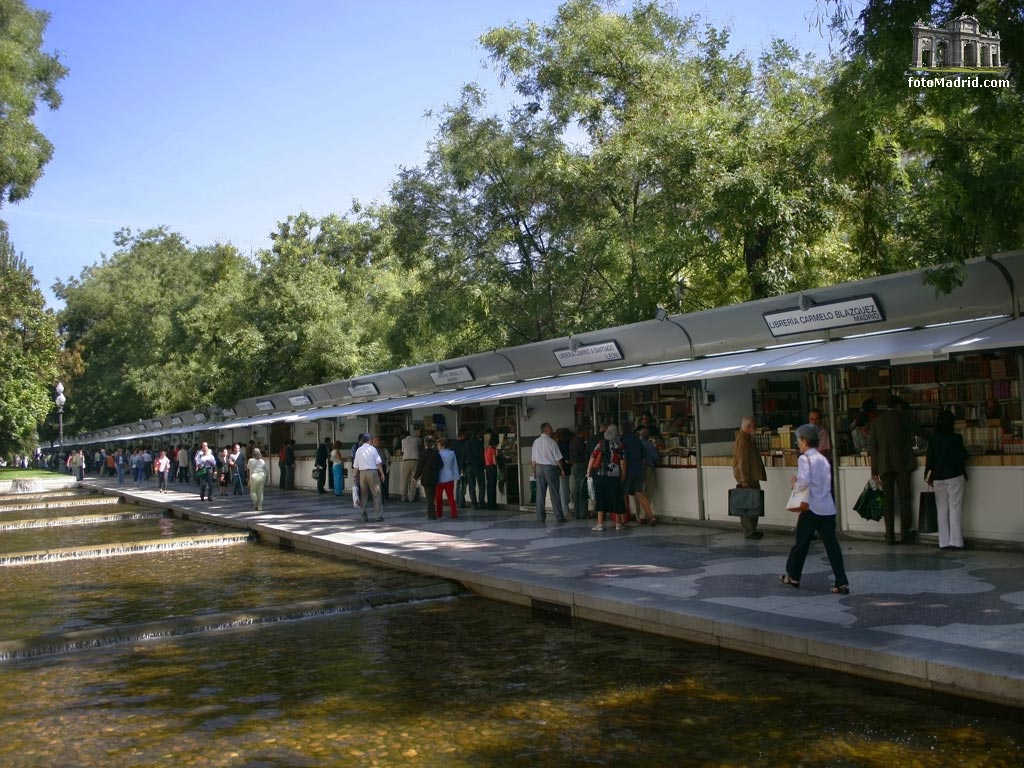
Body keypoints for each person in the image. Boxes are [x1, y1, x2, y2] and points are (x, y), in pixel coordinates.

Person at [779, 423, 850, 594]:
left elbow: (803, 482)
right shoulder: (823, 459)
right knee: (832, 546)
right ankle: (841, 581)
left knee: (800, 544)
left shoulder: (805, 459)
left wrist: (794, 483)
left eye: (799, 440)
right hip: (827, 507)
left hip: (811, 507)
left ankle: (793, 575)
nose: (798, 444)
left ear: (805, 440)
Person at [870, 395, 928, 545]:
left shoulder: (877, 422)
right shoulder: (903, 418)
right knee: (904, 499)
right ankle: (905, 533)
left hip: (884, 466)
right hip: (903, 464)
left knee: (887, 501)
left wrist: (874, 470)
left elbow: (873, 448)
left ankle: (889, 536)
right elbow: (918, 431)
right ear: (898, 406)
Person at [926, 410, 969, 550]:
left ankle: (943, 542)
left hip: (938, 477)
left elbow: (930, 459)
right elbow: (963, 455)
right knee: (955, 508)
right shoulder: (956, 438)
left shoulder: (933, 438)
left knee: (942, 509)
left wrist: (928, 476)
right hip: (955, 476)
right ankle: (956, 541)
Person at [732, 415, 766, 539]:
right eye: (754, 426)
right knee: (748, 505)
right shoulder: (743, 440)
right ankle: (750, 531)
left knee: (753, 503)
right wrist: (744, 480)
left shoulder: (747, 439)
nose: (755, 429)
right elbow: (743, 462)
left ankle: (752, 529)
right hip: (748, 479)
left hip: (750, 477)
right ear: (749, 426)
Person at [589, 426, 626, 531]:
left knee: (601, 499)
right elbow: (623, 462)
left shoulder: (601, 444)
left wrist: (588, 472)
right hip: (614, 476)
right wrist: (623, 475)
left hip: (601, 475)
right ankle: (618, 524)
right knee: (616, 498)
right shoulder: (620, 446)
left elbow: (593, 457)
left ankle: (600, 524)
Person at [531, 422, 567, 523]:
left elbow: (533, 460)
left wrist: (533, 471)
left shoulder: (536, 442)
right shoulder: (552, 442)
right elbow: (558, 459)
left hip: (538, 468)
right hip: (550, 468)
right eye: (551, 429)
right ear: (546, 430)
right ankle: (559, 516)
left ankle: (540, 517)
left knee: (540, 493)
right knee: (554, 492)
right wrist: (562, 469)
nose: (552, 430)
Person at [621, 425, 655, 524]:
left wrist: (623, 473)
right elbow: (644, 457)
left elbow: (623, 458)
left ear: (622, 431)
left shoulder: (622, 440)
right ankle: (651, 517)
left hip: (627, 470)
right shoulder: (637, 440)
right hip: (638, 470)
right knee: (640, 493)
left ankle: (623, 520)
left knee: (623, 495)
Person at [353, 433, 385, 522]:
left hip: (362, 473)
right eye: (371, 440)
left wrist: (355, 476)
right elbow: (378, 462)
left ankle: (363, 515)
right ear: (369, 440)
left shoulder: (358, 450)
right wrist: (382, 473)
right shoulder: (373, 449)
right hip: (373, 472)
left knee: (363, 495)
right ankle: (378, 515)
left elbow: (356, 465)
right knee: (377, 494)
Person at [414, 435, 442, 519]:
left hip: (426, 478)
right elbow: (441, 465)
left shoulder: (423, 454)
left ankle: (432, 515)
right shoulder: (436, 453)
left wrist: (415, 477)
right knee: (433, 496)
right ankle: (431, 513)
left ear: (425, 443)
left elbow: (419, 467)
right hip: (435, 477)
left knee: (429, 498)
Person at [435, 436, 460, 519]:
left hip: (440, 479)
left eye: (438, 445)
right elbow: (455, 466)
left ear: (442, 446)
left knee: (438, 497)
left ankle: (439, 513)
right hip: (449, 478)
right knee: (451, 497)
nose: (437, 447)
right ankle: (454, 513)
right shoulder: (452, 453)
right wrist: (456, 476)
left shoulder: (438, 454)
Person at [569, 429, 590, 518]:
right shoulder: (581, 442)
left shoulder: (572, 442)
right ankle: (583, 513)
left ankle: (577, 512)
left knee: (577, 489)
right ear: (581, 433)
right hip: (581, 466)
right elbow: (585, 455)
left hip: (574, 466)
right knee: (583, 488)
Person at [463, 430, 485, 510]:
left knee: (471, 485)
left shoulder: (467, 443)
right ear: (477, 434)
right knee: (481, 484)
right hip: (478, 465)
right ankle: (481, 502)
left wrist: (463, 467)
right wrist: (484, 464)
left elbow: (464, 455)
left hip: (469, 466)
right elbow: (481, 454)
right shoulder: (479, 443)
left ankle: (474, 503)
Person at [400, 430, 421, 502]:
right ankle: (411, 498)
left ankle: (404, 497)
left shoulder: (403, 441)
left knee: (404, 479)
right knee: (414, 480)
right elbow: (421, 443)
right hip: (415, 461)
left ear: (404, 435)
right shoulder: (416, 440)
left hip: (406, 461)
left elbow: (402, 451)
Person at [372, 435, 391, 505]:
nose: (380, 443)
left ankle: (383, 498)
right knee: (377, 484)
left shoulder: (382, 449)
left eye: (380, 441)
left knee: (383, 483)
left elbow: (387, 459)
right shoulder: (372, 450)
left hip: (383, 467)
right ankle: (377, 498)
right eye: (378, 441)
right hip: (375, 468)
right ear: (374, 442)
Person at [483, 434, 499, 510]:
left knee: (489, 486)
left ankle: (489, 504)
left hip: (487, 468)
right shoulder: (493, 450)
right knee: (493, 487)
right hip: (492, 468)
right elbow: (495, 462)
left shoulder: (486, 449)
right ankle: (493, 504)